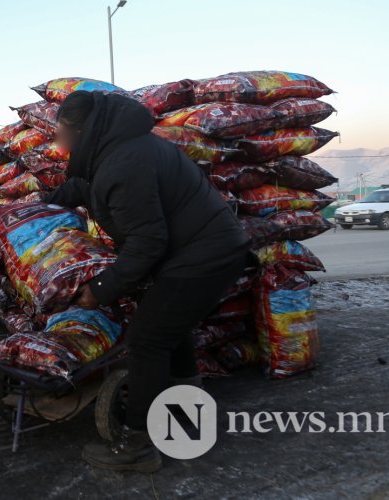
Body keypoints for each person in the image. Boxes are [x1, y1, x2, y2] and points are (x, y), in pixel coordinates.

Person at [46, 91, 250, 473]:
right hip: (195, 252)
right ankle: (187, 411)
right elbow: (80, 188)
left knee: (146, 340)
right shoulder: (109, 152)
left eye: (60, 134)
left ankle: (137, 446)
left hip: (205, 256)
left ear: (79, 130)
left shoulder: (124, 162)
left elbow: (147, 241)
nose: (58, 143)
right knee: (169, 328)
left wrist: (102, 288)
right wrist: (34, 211)